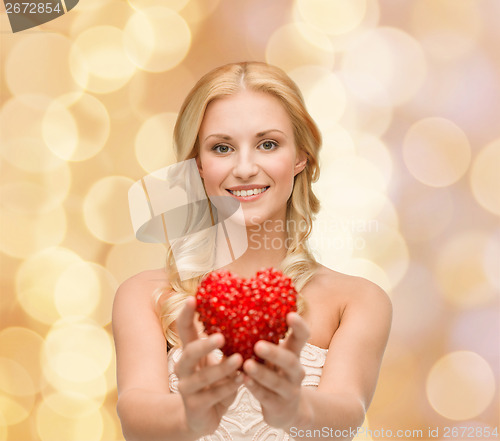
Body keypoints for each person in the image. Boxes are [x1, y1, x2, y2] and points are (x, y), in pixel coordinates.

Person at [112, 61, 392, 441]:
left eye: (267, 144)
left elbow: (346, 414)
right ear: (198, 166)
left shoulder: (358, 300)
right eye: (222, 147)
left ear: (300, 157)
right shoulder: (146, 295)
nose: (244, 168)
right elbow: (135, 413)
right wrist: (189, 416)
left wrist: (295, 409)